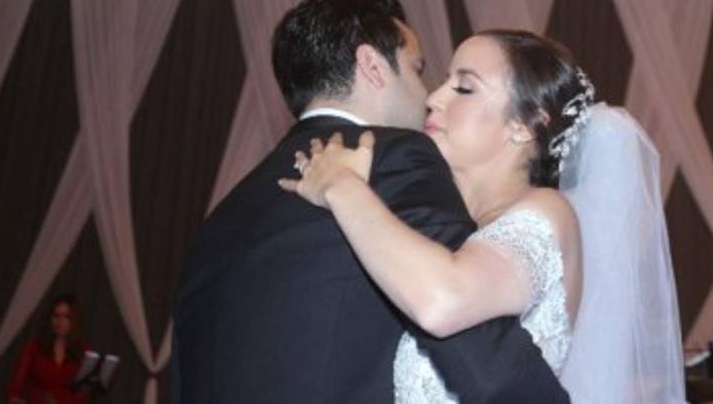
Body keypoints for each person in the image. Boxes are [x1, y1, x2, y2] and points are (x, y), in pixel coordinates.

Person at [171, 0, 569, 403]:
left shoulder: (220, 218)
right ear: (372, 67)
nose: (429, 96)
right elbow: (476, 351)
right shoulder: (396, 157)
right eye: (417, 70)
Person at [283, 29, 686, 402]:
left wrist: (343, 187)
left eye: (463, 87)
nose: (434, 97)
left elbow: (444, 301)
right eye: (444, 81)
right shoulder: (442, 222)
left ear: (525, 125)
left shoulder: (547, 212)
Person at [8, 293, 91, 404]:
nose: (60, 321)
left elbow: (83, 394)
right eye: (56, 316)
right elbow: (16, 385)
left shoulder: (85, 352)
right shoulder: (34, 348)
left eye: (66, 317)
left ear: (74, 320)